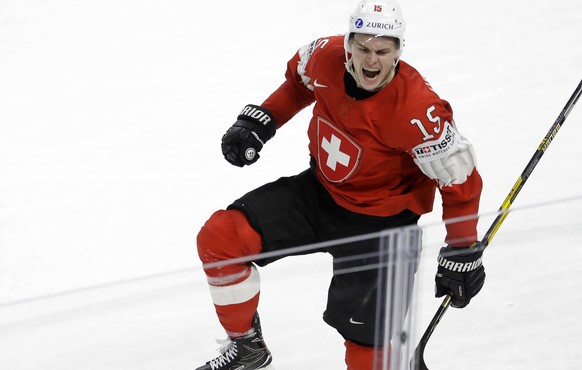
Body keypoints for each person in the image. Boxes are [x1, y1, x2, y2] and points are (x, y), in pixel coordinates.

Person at [195, 0, 486, 369]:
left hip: (382, 226)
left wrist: (461, 247)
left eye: (383, 50)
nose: (371, 60)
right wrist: (263, 120)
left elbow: (460, 180)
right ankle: (247, 349)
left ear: (399, 51)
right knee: (221, 239)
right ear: (348, 43)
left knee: (367, 346)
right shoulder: (324, 56)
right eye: (362, 47)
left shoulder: (418, 111)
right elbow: (299, 85)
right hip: (320, 194)